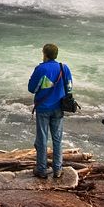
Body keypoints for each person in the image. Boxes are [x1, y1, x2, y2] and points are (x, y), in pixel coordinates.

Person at [27, 43, 73, 179]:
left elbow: (32, 88)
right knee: (57, 139)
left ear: (44, 54)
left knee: (42, 139)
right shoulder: (64, 68)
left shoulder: (40, 69)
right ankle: (58, 169)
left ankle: (41, 169)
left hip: (43, 108)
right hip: (59, 108)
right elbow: (69, 88)